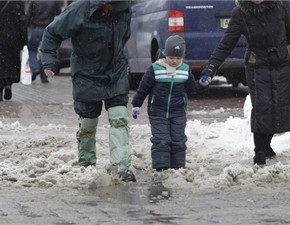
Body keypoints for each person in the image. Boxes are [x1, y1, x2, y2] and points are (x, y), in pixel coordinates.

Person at [40, 0, 136, 182]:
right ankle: (86, 164)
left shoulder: (123, 9)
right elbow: (52, 33)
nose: (114, 10)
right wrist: (49, 62)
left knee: (119, 118)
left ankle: (122, 167)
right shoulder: (79, 9)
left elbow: (124, 36)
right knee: (88, 125)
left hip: (115, 73)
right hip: (86, 74)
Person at [200, 0, 290, 165]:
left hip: (282, 63)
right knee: (262, 105)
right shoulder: (240, 12)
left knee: (279, 105)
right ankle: (259, 152)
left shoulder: (280, 6)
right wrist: (210, 69)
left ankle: (267, 146)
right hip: (257, 65)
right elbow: (226, 44)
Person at [131, 35, 209, 171]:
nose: (174, 61)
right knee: (161, 140)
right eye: (171, 58)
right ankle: (161, 168)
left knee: (178, 140)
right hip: (158, 112)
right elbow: (143, 88)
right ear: (165, 54)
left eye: (178, 58)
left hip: (178, 112)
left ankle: (178, 168)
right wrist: (136, 104)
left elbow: (192, 88)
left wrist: (202, 84)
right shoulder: (155, 69)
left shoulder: (185, 70)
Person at [26, 1, 62, 83]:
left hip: (36, 28)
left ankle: (34, 68)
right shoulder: (53, 1)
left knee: (32, 50)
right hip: (49, 28)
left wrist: (25, 27)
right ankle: (44, 75)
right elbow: (59, 12)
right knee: (45, 51)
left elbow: (28, 15)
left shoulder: (34, 1)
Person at [0, 1, 27, 101]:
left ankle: (0, 90)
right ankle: (8, 84)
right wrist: (24, 41)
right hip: (13, 38)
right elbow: (23, 22)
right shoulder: (18, 2)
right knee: (11, 63)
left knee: (1, 63)